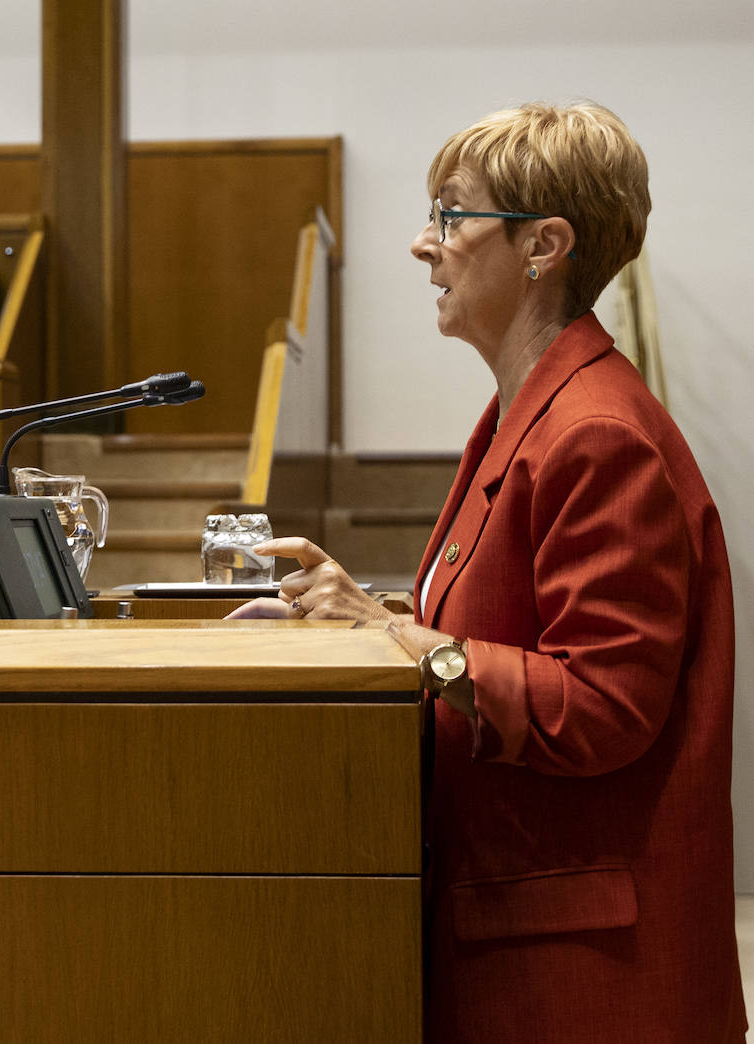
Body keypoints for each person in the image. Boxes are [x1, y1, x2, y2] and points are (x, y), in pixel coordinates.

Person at [229, 102, 745, 1041]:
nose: (423, 244)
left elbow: (605, 705)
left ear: (543, 245)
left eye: (451, 214)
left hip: (583, 971)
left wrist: (410, 643)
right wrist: (366, 617)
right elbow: (500, 636)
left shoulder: (594, 433)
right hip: (523, 935)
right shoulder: (526, 413)